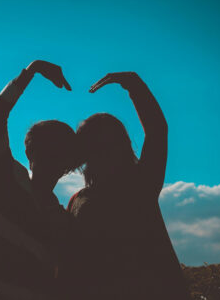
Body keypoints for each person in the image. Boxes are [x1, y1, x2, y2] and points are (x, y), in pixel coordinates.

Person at [67, 72, 190, 299]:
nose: (101, 150)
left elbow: (156, 131)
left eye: (106, 142)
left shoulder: (139, 184)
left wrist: (134, 85)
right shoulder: (78, 200)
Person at [0, 60, 77, 300]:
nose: (52, 162)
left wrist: (33, 70)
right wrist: (31, 70)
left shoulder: (62, 217)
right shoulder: (9, 179)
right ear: (30, 154)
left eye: (58, 154)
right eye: (47, 152)